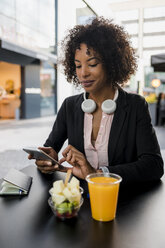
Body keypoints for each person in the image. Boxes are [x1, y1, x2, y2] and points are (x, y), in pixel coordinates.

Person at [29, 17, 164, 184]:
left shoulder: (135, 105)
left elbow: (154, 165)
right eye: (78, 66)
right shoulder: (70, 106)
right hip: (77, 199)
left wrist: (99, 174)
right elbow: (51, 149)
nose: (83, 73)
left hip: (120, 201)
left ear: (112, 64)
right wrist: (48, 159)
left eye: (92, 64)